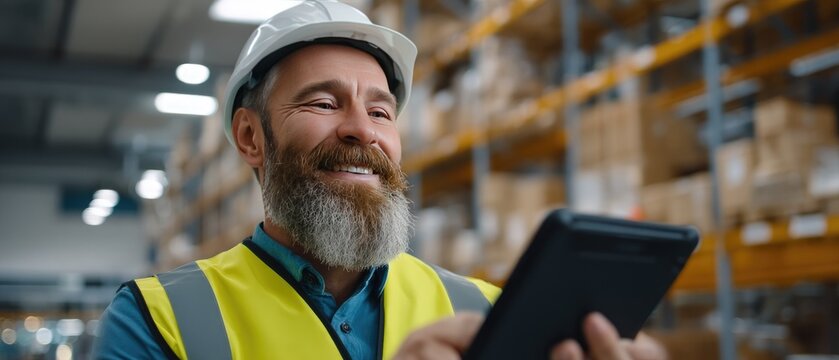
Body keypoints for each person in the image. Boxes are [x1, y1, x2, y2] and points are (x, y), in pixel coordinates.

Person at [93, 1, 666, 359]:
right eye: (322, 102)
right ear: (251, 138)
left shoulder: (488, 310)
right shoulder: (158, 322)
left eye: (381, 110)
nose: (361, 132)